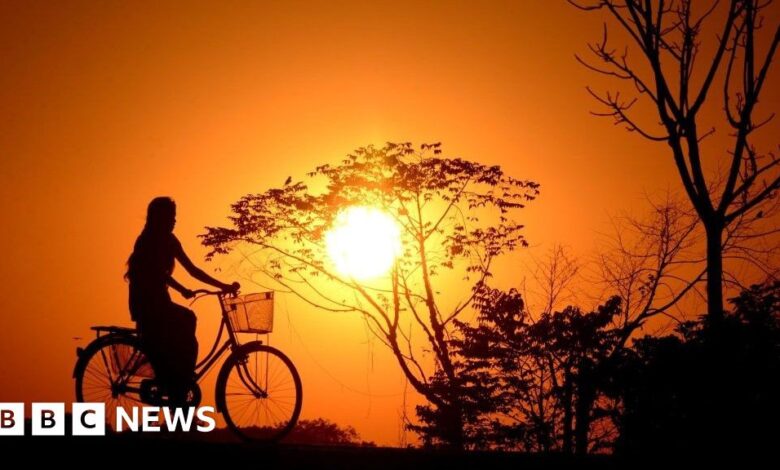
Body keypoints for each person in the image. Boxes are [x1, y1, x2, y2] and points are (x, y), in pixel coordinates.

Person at [125, 196, 239, 407]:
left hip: (157, 300)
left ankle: (178, 383)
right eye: (171, 216)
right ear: (159, 217)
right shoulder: (149, 241)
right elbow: (157, 273)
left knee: (180, 331)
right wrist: (183, 289)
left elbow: (192, 269)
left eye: (174, 216)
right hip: (147, 303)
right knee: (187, 320)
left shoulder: (168, 239)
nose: (174, 220)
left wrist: (221, 286)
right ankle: (181, 382)